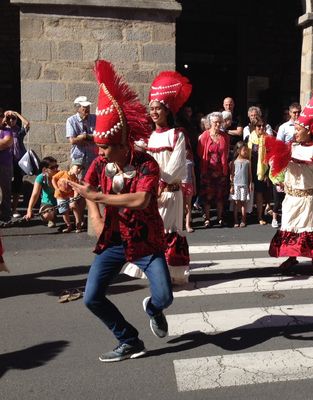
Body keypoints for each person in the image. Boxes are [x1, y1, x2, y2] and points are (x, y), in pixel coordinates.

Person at [69, 60, 173, 362]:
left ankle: (153, 308)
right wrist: (95, 213)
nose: (99, 153)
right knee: (91, 298)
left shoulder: (146, 163)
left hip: (144, 239)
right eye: (99, 147)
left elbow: (141, 200)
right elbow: (87, 188)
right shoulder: (100, 164)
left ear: (123, 144)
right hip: (113, 240)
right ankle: (129, 340)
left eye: (105, 147)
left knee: (164, 296)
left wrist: (99, 197)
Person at [267, 86, 313, 274]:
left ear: (308, 131)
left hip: (308, 198)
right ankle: (292, 258)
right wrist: (278, 178)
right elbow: (277, 168)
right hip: (291, 197)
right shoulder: (291, 147)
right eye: (295, 129)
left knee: (310, 228)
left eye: (298, 129)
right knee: (290, 227)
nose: (295, 132)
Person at [144, 70, 192, 285]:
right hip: (151, 192)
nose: (154, 112)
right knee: (153, 232)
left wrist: (161, 182)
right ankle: (156, 273)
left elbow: (176, 163)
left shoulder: (177, 134)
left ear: (166, 110)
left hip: (170, 192)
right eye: (151, 108)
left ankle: (172, 273)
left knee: (169, 231)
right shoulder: (149, 136)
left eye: (158, 108)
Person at [198, 112, 230, 227]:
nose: (217, 124)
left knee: (220, 196)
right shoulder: (205, 135)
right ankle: (207, 218)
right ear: (210, 123)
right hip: (207, 170)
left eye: (219, 122)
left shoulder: (225, 136)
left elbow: (226, 154)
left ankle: (220, 217)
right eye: (215, 122)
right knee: (207, 195)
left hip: (221, 171)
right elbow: (200, 153)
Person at [2, 110, 30, 218]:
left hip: (18, 161)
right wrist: (5, 116)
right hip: (6, 161)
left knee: (17, 184)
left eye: (13, 119)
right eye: (9, 118)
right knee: (5, 184)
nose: (11, 120)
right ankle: (5, 208)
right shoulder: (3, 130)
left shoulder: (18, 131)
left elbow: (27, 124)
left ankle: (14, 208)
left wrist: (16, 113)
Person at [247, 117, 271, 225]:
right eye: (258, 126)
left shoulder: (268, 138)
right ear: (254, 127)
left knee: (260, 194)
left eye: (263, 126)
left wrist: (267, 172)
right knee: (248, 193)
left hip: (262, 170)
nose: (261, 127)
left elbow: (271, 156)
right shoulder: (249, 138)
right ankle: (246, 215)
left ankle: (260, 216)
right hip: (250, 169)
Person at [24, 156, 59, 227]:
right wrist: (29, 210)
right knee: (47, 215)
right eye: (52, 168)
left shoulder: (60, 175)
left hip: (62, 201)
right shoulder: (41, 177)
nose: (56, 169)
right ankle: (52, 218)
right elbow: (35, 194)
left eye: (56, 166)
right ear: (45, 170)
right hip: (49, 203)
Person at [51, 159, 85, 233]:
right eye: (78, 167)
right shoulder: (63, 173)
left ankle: (78, 225)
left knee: (74, 206)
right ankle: (68, 225)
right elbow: (54, 179)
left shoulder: (76, 179)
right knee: (64, 212)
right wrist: (56, 188)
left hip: (70, 195)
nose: (79, 170)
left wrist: (75, 198)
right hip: (60, 196)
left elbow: (75, 189)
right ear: (72, 167)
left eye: (81, 169)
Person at [66, 96, 97, 174]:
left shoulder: (95, 118)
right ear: (78, 108)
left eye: (88, 107)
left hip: (93, 156)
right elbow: (72, 141)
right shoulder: (71, 120)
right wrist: (91, 137)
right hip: (78, 156)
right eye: (84, 107)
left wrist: (84, 136)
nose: (87, 109)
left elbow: (99, 136)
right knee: (78, 179)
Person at [229, 141, 253, 227]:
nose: (246, 152)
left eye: (246, 150)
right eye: (244, 150)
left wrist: (250, 184)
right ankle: (235, 220)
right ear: (238, 151)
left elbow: (250, 174)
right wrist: (231, 186)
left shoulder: (248, 162)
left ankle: (243, 220)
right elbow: (232, 175)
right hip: (236, 185)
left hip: (244, 185)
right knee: (236, 203)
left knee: (243, 203)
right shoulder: (234, 162)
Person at [0, 115, 14, 222]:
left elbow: (7, 142)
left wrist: (4, 143)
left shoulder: (7, 130)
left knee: (5, 191)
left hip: (4, 165)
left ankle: (6, 217)